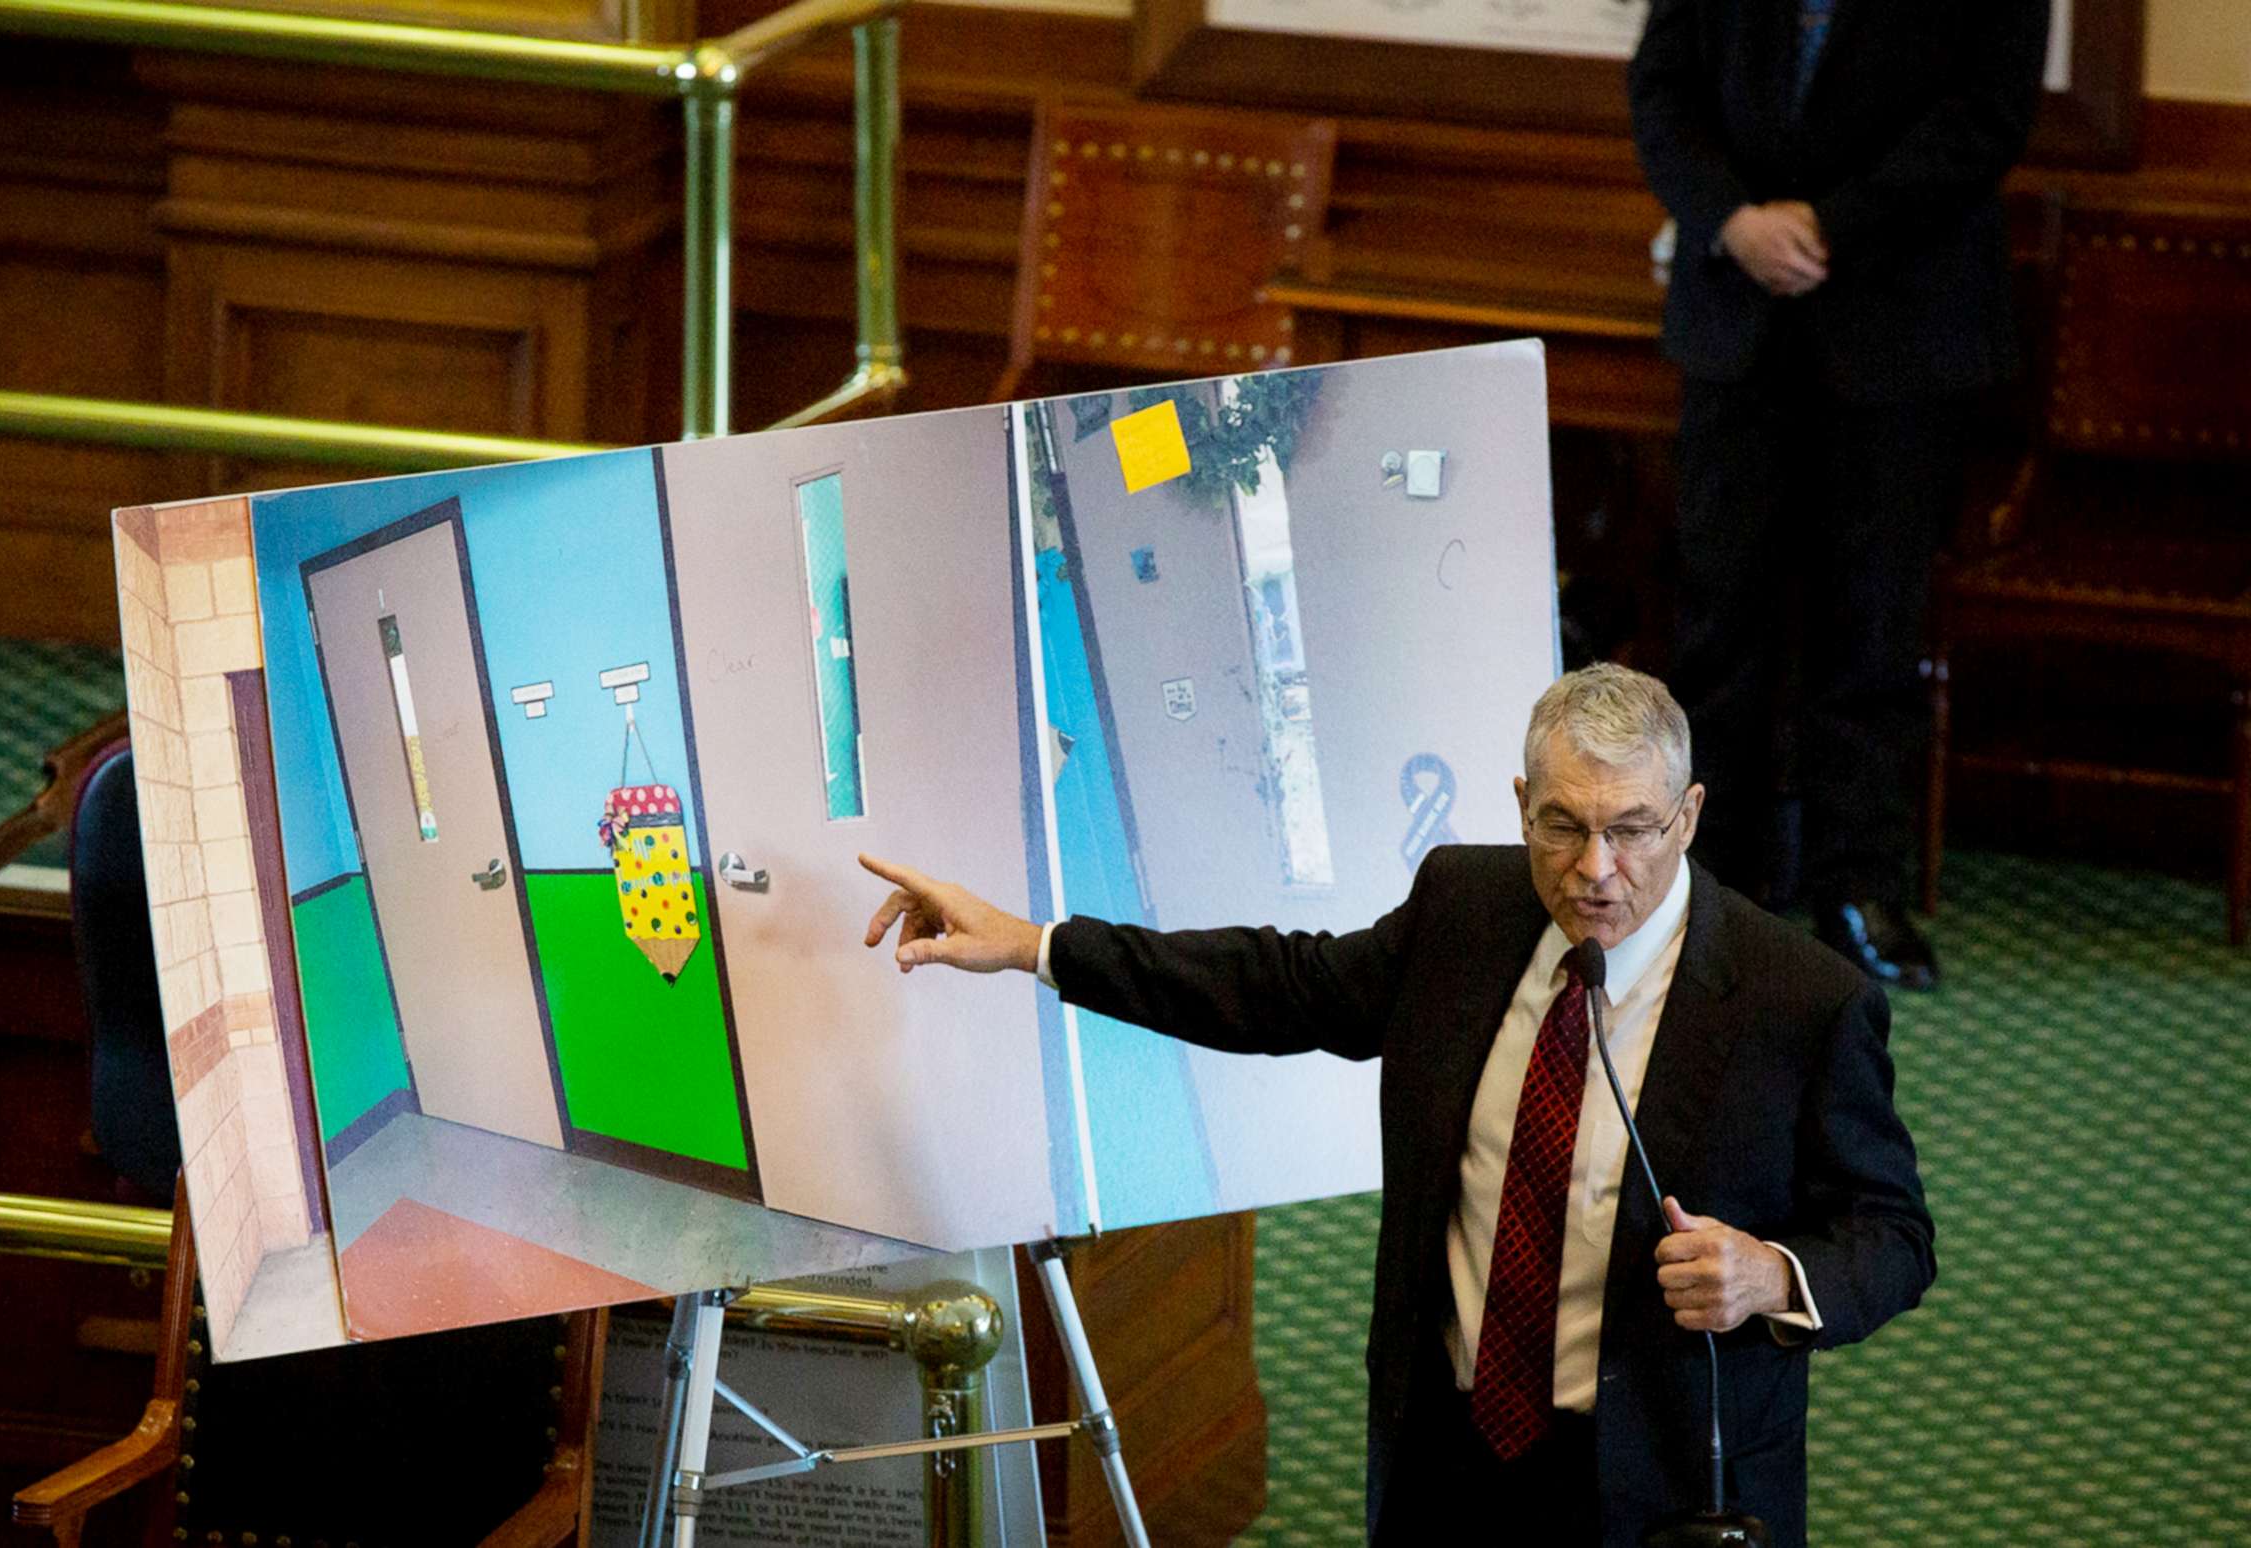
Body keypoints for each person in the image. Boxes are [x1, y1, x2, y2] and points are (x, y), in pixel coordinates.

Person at [859, 665, 1932, 1547]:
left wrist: (1771, 1277)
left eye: (1634, 830)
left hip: (1654, 1490)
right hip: (1449, 1459)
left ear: (1690, 816)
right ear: (1518, 806)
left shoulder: (1803, 1002)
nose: (1597, 871)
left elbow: (1892, 1237)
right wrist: (1032, 944)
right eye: (1562, 826)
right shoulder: (1465, 909)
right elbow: (1273, 984)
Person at [1628, 0, 2052, 991]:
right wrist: (1732, 219)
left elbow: (1987, 118)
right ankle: (1708, 876)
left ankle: (1855, 884)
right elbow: (1663, 87)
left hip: (1901, 322)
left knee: (1871, 624)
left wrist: (1827, 225)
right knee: (1718, 617)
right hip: (1737, 320)